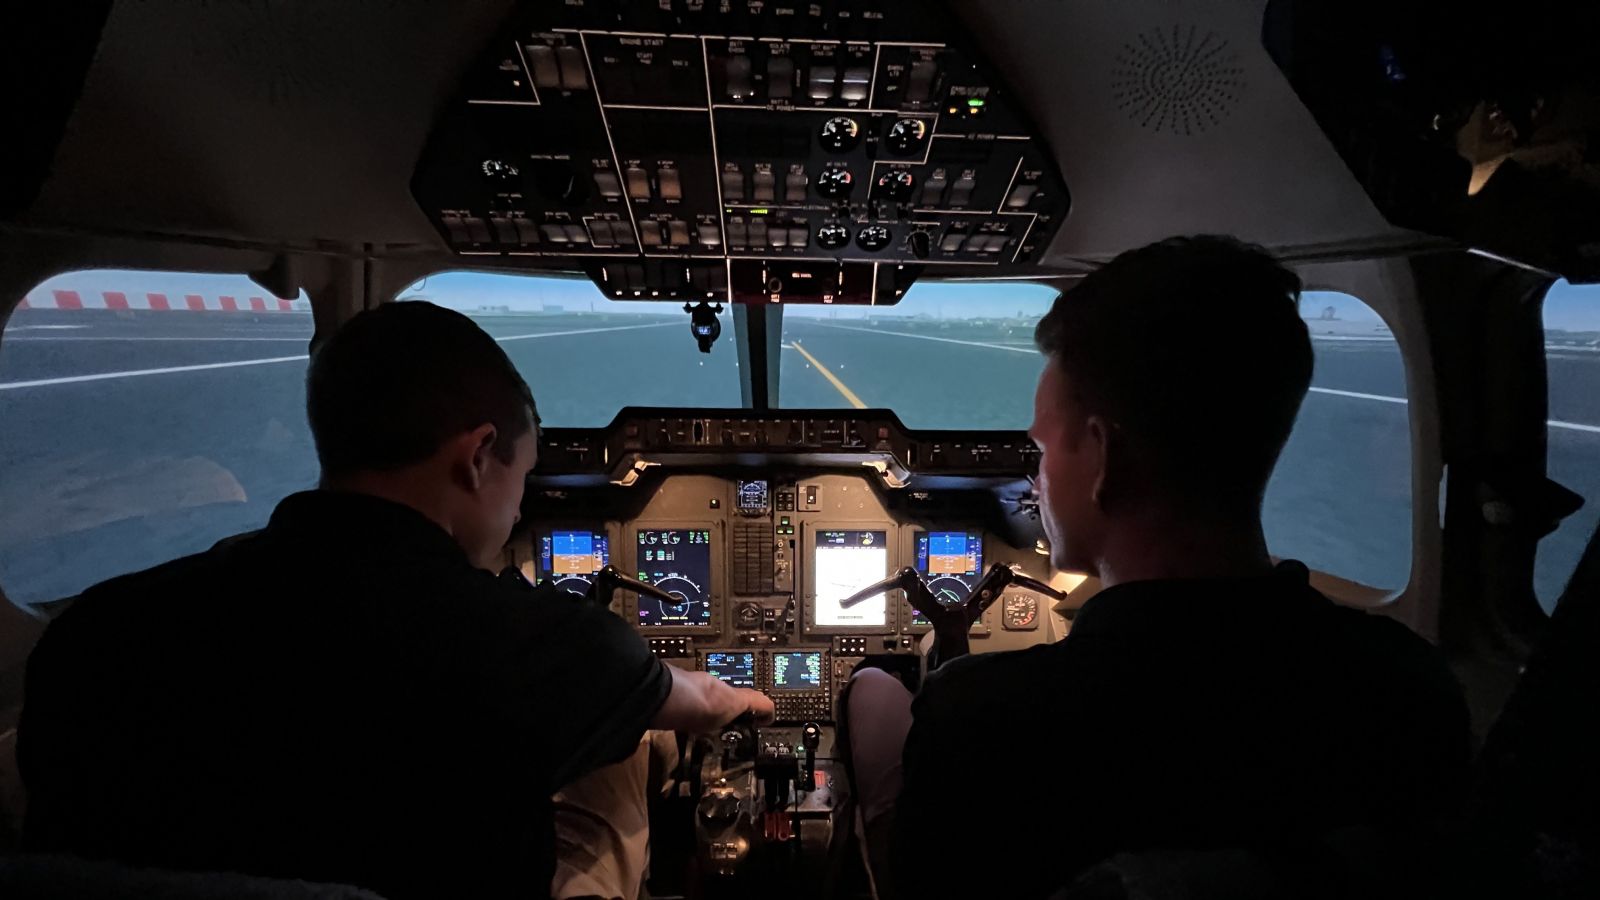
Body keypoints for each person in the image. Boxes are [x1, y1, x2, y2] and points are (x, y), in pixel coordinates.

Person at [18, 301, 773, 900]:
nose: (517, 514)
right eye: (523, 480)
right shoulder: (544, 652)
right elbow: (698, 702)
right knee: (635, 742)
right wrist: (745, 702)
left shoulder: (97, 635)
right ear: (477, 459)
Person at [846, 236, 1471, 900]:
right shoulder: (1410, 687)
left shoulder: (980, 721)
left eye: (1042, 447)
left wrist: (952, 662)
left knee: (873, 691)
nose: (1037, 473)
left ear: (1101, 458)